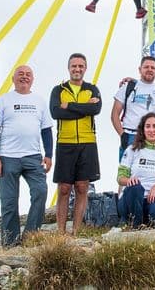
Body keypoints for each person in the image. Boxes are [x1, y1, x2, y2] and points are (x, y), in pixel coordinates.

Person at [0, 65, 53, 246]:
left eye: (28, 74)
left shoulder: (39, 101)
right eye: (21, 74)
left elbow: (46, 130)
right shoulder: (3, 100)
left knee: (40, 191)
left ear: (33, 79)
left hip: (33, 156)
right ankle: (10, 243)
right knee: (9, 202)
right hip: (8, 157)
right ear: (13, 78)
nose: (24, 77)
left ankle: (30, 236)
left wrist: (49, 155)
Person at [49, 53, 102, 234]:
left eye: (80, 66)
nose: (77, 69)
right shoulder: (58, 90)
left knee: (82, 187)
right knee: (64, 188)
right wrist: (84, 108)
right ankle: (61, 232)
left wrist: (69, 106)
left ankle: (76, 231)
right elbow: (55, 113)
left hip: (88, 142)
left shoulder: (92, 89)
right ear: (68, 68)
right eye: (74, 66)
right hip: (65, 142)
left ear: (85, 68)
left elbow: (96, 109)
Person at [110, 56, 155, 161]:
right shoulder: (128, 87)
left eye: (153, 68)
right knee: (126, 174)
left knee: (151, 175)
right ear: (140, 69)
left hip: (154, 138)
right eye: (146, 67)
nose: (149, 69)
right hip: (131, 136)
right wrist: (122, 135)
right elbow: (114, 115)